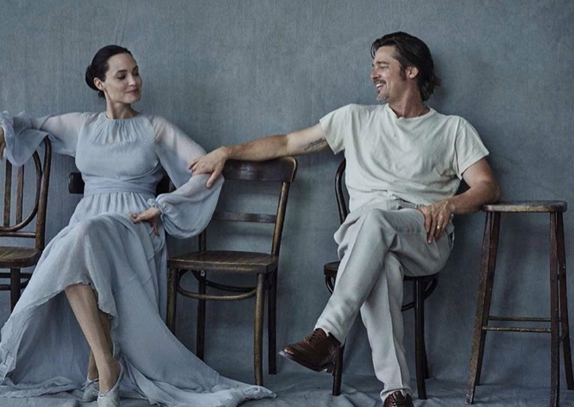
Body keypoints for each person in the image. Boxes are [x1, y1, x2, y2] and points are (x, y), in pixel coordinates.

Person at [0, 45, 274, 407]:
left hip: (135, 224)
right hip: (90, 219)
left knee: (78, 239)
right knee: (77, 245)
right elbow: (29, 123)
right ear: (100, 83)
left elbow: (207, 169)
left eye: (136, 72)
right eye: (122, 75)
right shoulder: (83, 126)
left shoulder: (155, 128)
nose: (134, 81)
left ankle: (101, 368)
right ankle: (104, 365)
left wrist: (163, 206)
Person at [189, 32, 501, 407]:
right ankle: (396, 393)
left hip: (423, 235)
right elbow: (287, 143)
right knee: (382, 262)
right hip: (365, 239)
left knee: (376, 221)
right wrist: (227, 151)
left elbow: (487, 186)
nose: (373, 74)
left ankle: (328, 334)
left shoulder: (452, 129)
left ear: (411, 71)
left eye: (382, 66)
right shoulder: (355, 118)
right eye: (373, 66)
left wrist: (449, 205)